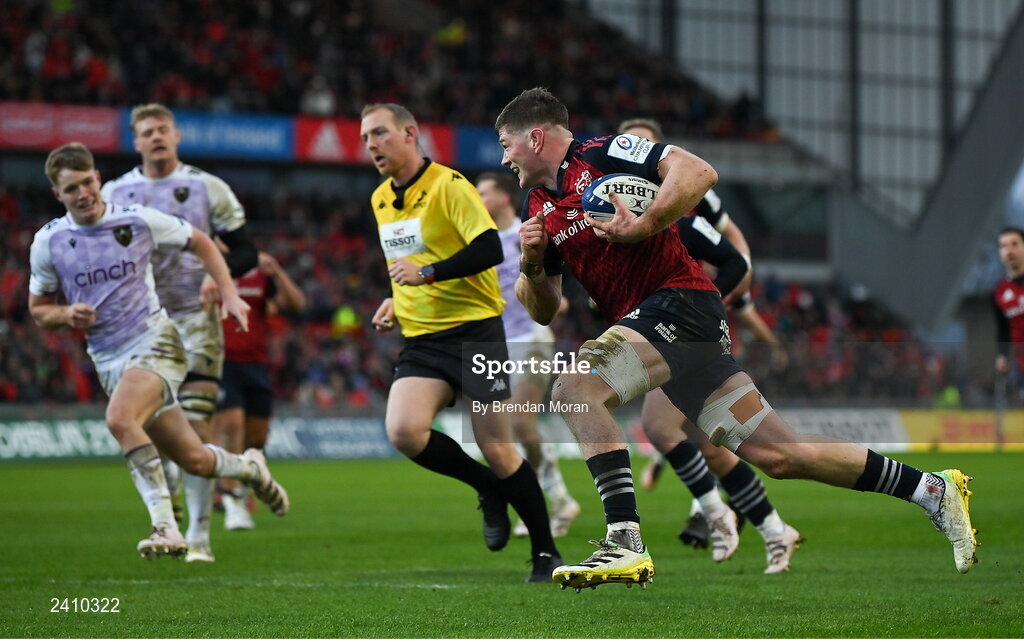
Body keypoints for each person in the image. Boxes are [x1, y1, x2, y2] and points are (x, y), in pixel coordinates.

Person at [496, 87, 976, 591]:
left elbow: (698, 171)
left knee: (575, 388)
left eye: (507, 144)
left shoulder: (602, 153)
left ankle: (624, 542)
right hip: (673, 325)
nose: (505, 157)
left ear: (535, 136)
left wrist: (646, 224)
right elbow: (544, 310)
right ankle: (931, 490)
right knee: (783, 455)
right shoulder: (538, 203)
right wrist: (531, 263)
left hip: (679, 302)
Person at [29, 143, 289, 560]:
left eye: (86, 181)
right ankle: (249, 468)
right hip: (108, 360)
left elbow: (202, 241)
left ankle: (165, 526)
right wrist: (64, 313)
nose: (83, 193)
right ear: (58, 195)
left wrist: (228, 291)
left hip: (156, 342)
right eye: (71, 188)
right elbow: (38, 309)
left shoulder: (137, 220)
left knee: (120, 419)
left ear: (98, 178)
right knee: (195, 458)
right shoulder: (49, 243)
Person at [361, 103, 561, 582]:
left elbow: (490, 248)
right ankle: (489, 490)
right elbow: (405, 258)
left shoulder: (450, 186)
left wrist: (426, 274)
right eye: (366, 137)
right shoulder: (380, 199)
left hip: (475, 331)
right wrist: (396, 298)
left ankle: (545, 552)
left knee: (497, 445)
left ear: (410, 133)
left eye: (380, 133)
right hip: (424, 337)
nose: (371, 145)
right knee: (404, 432)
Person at [619, 118, 799, 573]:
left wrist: (718, 298)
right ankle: (775, 529)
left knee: (659, 428)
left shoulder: (686, 217)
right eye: (629, 145)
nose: (637, 153)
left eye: (647, 146)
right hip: (660, 329)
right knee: (714, 449)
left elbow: (734, 252)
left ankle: (712, 512)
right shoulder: (608, 206)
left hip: (685, 332)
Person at [101, 103, 259, 562]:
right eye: (147, 132)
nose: (156, 137)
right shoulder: (117, 192)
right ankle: (173, 493)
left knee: (195, 426)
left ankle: (201, 538)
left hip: (196, 320)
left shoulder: (207, 187)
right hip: (140, 326)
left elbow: (247, 250)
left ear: (176, 136)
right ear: (136, 142)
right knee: (154, 427)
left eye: (163, 130)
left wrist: (222, 276)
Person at [476, 171, 580, 538]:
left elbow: (551, 275)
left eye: (482, 192)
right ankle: (560, 499)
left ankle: (543, 499)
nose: (477, 198)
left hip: (532, 337)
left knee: (520, 422)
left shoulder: (527, 235)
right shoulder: (480, 244)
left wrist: (553, 297)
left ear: (503, 198)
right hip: (495, 345)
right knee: (504, 433)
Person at [213, 251, 306, 530]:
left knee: (257, 438)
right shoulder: (207, 267)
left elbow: (296, 306)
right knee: (231, 424)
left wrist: (276, 270)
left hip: (257, 364)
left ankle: (242, 488)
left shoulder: (259, 271)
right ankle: (231, 500)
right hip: (221, 361)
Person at [994, 226, 1024, 382]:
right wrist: (1003, 355)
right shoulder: (999, 291)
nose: (1009, 250)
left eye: (1014, 244)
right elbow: (1003, 328)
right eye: (1004, 246)